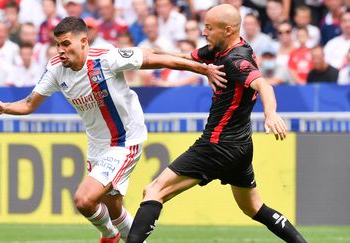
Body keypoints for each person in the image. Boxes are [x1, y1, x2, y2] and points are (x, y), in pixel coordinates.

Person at [0, 16, 226, 243]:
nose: (60, 50)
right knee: (114, 210)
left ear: (84, 42)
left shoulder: (107, 58)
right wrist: (4, 107)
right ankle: (119, 233)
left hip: (124, 141)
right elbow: (29, 104)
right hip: (97, 147)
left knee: (84, 200)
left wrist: (204, 69)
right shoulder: (55, 69)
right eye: (58, 44)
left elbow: (155, 57)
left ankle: (108, 236)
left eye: (66, 44)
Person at [126, 4, 307, 243]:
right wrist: (145, 54)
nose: (203, 32)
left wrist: (270, 113)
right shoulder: (223, 49)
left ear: (228, 30)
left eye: (209, 28)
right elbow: (181, 58)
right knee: (254, 207)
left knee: (153, 191)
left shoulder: (236, 60)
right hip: (240, 148)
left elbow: (264, 84)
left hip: (216, 145)